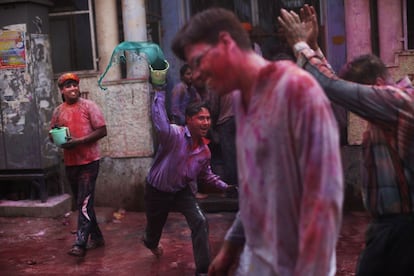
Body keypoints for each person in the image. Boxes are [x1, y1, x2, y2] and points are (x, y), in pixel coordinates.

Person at [171, 7, 343, 276]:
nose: (196, 75)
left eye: (197, 61)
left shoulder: (297, 90)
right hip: (256, 262)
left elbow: (324, 202)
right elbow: (255, 188)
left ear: (226, 43)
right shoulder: (241, 99)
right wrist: (231, 246)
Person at [279, 5, 414, 275]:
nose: (357, 103)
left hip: (401, 228)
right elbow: (338, 89)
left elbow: (335, 89)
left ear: (376, 84)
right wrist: (315, 48)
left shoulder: (395, 101)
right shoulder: (390, 101)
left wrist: (300, 44)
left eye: (360, 93)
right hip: (391, 227)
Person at [142, 85, 235, 275]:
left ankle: (202, 270)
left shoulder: (204, 151)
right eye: (201, 118)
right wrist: (159, 91)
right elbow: (160, 122)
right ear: (189, 120)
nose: (206, 123)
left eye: (208, 118)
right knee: (153, 232)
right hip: (157, 191)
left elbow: (207, 175)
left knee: (200, 222)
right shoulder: (174, 135)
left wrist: (226, 187)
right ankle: (150, 242)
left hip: (182, 192)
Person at [50, 72, 107, 257]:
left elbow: (102, 130)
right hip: (71, 162)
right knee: (83, 202)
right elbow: (52, 133)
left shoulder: (89, 106)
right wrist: (57, 139)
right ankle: (97, 237)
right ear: (62, 90)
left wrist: (79, 141)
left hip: (89, 161)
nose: (73, 88)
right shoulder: (58, 111)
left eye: (74, 84)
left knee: (83, 202)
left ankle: (80, 243)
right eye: (68, 86)